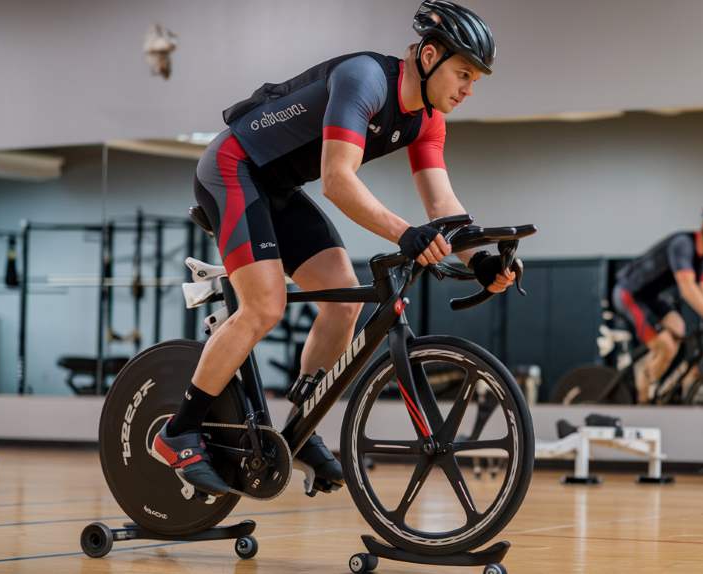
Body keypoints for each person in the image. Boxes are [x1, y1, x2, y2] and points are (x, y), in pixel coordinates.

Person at [151, 1, 518, 495]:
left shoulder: (428, 119)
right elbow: (337, 180)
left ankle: (300, 431)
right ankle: (178, 431)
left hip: (276, 189)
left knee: (342, 303)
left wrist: (483, 258)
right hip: (232, 168)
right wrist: (404, 234)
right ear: (429, 55)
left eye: (476, 79)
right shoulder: (364, 78)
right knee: (265, 305)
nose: (469, 89)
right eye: (464, 74)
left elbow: (443, 204)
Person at [611, 203, 703, 403]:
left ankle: (646, 373)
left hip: (650, 298)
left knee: (679, 328)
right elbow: (687, 289)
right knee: (666, 346)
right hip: (629, 293)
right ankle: (642, 396)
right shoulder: (683, 244)